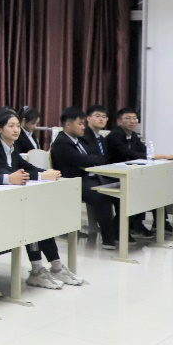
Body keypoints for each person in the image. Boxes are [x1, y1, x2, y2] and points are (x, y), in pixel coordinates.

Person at [0, 109, 81, 288]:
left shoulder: (12, 147)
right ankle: (37, 270)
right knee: (31, 221)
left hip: (14, 198)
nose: (16, 130)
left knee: (40, 219)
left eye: (17, 126)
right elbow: (4, 172)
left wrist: (47, 172)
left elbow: (25, 166)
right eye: (11, 126)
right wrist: (40, 176)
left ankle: (56, 266)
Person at [51, 107, 122, 250]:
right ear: (68, 125)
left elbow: (93, 158)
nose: (83, 127)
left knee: (121, 190)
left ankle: (117, 231)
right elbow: (82, 160)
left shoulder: (77, 140)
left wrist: (93, 159)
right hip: (74, 182)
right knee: (102, 195)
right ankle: (108, 237)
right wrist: (94, 159)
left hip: (88, 178)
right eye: (80, 124)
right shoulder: (62, 143)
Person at [109, 107, 173, 236]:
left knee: (155, 186)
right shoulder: (115, 135)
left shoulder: (133, 136)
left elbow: (145, 152)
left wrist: (165, 157)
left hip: (131, 173)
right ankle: (131, 226)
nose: (132, 121)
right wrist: (164, 156)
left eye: (135, 119)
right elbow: (130, 154)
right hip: (115, 175)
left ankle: (160, 222)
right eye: (128, 118)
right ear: (119, 121)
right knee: (143, 188)